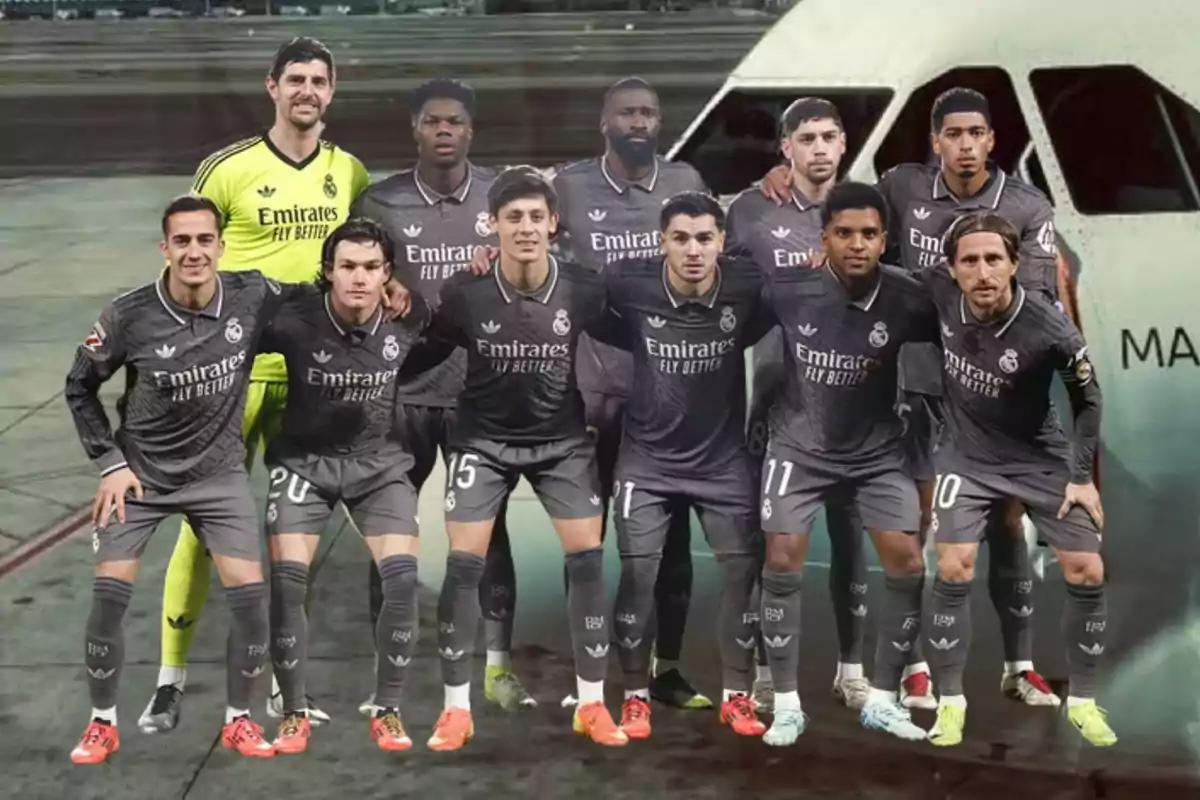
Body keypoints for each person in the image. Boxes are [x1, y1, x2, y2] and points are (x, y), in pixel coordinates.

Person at [757, 87, 1060, 709]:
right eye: (954, 134)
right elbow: (847, 207)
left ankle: (1020, 664)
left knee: (1005, 523)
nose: (966, 145)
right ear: (936, 141)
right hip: (916, 387)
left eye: (977, 133)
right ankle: (916, 664)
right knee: (915, 531)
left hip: (991, 392)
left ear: (992, 140)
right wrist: (782, 175)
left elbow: (1031, 300)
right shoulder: (902, 187)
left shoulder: (1028, 208)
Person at [145, 36, 370, 733]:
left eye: (319, 81)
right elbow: (190, 260)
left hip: (309, 381)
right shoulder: (228, 170)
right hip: (230, 379)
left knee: (291, 536)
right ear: (272, 87)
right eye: (295, 78)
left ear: (331, 93)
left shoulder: (350, 171)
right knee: (200, 527)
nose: (307, 90)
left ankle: (281, 685)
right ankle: (169, 679)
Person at [481, 77, 712, 708]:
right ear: (603, 123)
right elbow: (514, 215)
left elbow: (721, 254)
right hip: (585, 394)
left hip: (666, 398)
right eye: (626, 113)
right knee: (587, 541)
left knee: (668, 542)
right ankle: (586, 677)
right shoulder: (568, 184)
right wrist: (487, 251)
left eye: (649, 113)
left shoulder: (686, 183)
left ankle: (665, 668)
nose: (639, 122)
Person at [65, 196, 299, 764]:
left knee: (250, 601)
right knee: (108, 600)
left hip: (217, 476)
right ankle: (102, 723)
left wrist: (392, 292)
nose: (195, 252)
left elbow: (319, 300)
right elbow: (79, 387)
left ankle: (238, 720)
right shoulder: (129, 314)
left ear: (220, 245)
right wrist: (111, 464)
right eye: (183, 242)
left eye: (204, 240)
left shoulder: (251, 294)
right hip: (141, 478)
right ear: (164, 248)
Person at [404, 167, 627, 750]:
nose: (525, 228)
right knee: (464, 561)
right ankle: (456, 709)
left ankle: (593, 703)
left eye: (535, 217)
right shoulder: (464, 291)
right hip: (481, 441)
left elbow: (639, 329)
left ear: (553, 225)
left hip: (561, 442)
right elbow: (423, 351)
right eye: (513, 218)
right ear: (494, 226)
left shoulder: (584, 288)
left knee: (586, 558)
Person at [353, 79, 538, 713]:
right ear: (414, 128)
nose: (443, 130)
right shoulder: (379, 202)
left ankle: (497, 666)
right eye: (432, 121)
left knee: (489, 534)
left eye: (454, 121)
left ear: (470, 129)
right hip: (402, 394)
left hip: (480, 394)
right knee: (393, 533)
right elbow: (353, 279)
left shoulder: (501, 196)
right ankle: (390, 673)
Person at [922, 212, 1115, 748]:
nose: (982, 272)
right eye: (970, 261)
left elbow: (1088, 398)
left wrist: (1080, 477)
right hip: (965, 454)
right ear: (952, 268)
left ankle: (1085, 702)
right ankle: (951, 702)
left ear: (1013, 264)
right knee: (954, 566)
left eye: (993, 260)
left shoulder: (1050, 326)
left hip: (1037, 454)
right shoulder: (936, 290)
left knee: (1087, 571)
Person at [755, 183, 935, 746]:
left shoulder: (910, 297)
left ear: (886, 240)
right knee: (782, 556)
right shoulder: (788, 289)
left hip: (876, 452)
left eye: (868, 234)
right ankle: (785, 704)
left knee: (906, 563)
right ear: (824, 237)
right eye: (844, 233)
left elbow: (970, 321)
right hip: (799, 447)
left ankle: (881, 699)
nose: (856, 244)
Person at [598, 192, 770, 739]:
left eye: (704, 238)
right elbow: (564, 292)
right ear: (661, 242)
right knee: (639, 574)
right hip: (646, 463)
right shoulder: (629, 285)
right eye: (680, 238)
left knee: (743, 575)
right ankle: (634, 697)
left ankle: (738, 697)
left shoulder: (747, 286)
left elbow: (805, 301)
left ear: (722, 242)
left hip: (722, 463)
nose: (693, 250)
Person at [256, 219, 430, 755]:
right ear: (328, 272)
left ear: (388, 275)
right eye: (348, 267)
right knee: (288, 583)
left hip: (378, 466)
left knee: (401, 582)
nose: (359, 278)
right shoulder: (293, 317)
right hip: (305, 464)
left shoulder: (411, 318)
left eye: (372, 268)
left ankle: (388, 708)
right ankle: (292, 711)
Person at [725, 97, 873, 713]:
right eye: (805, 138)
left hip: (853, 403)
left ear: (843, 146)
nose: (818, 148)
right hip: (780, 402)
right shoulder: (751, 211)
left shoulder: (864, 208)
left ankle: (852, 669)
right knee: (774, 545)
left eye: (829, 137)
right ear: (785, 148)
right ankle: (764, 669)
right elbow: (723, 294)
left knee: (850, 539)